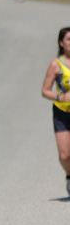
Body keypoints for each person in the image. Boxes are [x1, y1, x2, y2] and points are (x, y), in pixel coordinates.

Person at [42, 27, 70, 196]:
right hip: (62, 113)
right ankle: (69, 174)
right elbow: (45, 90)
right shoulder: (56, 65)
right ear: (61, 43)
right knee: (65, 155)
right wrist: (61, 98)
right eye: (69, 39)